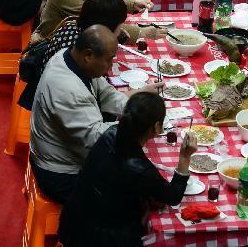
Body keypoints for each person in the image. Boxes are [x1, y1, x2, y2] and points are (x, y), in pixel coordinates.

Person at [62, 92, 196, 247]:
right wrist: (185, 157)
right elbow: (172, 196)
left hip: (76, 219)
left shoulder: (110, 132)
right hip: (104, 238)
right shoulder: (139, 169)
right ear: (157, 127)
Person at [30, 26, 146, 202]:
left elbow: (106, 93)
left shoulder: (70, 58)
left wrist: (136, 107)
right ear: (89, 55)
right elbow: (96, 138)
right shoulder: (68, 90)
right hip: (61, 174)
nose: (111, 65)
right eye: (109, 59)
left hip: (66, 153)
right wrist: (138, 122)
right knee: (134, 194)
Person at [19, 0, 127, 111]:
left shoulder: (70, 27)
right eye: (119, 27)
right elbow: (100, 97)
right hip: (57, 107)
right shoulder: (85, 53)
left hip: (45, 97)